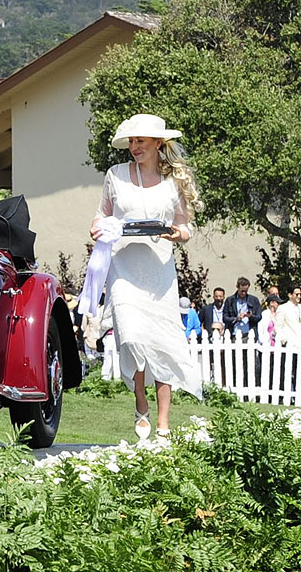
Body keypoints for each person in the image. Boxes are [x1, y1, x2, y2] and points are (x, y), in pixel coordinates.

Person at [89, 113, 203, 440]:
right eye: (131, 141)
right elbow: (102, 215)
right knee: (133, 337)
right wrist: (98, 228)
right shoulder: (116, 175)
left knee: (162, 342)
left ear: (158, 143)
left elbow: (186, 226)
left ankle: (164, 423)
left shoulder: (173, 183)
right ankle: (141, 403)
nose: (135, 147)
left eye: (141, 141)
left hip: (159, 269)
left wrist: (175, 234)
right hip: (123, 266)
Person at [222, 277, 262, 341]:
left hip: (249, 334)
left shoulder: (254, 300)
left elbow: (259, 317)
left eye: (246, 291)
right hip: (233, 334)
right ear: (237, 287)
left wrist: (250, 316)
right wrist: (236, 319)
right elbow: (225, 318)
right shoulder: (230, 300)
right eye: (242, 291)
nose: (244, 293)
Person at [276, 284, 301, 350]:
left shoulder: (300, 307)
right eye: (297, 294)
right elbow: (278, 327)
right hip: (290, 347)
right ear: (290, 295)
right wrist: (285, 340)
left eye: (300, 294)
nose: (299, 296)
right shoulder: (283, 308)